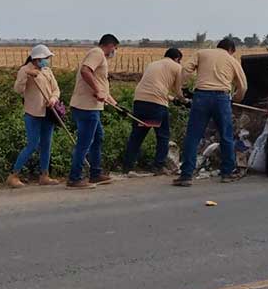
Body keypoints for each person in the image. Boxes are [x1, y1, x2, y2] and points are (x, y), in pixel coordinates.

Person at [173, 38, 247, 186]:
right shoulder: (232, 61)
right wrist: (236, 99)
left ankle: (186, 175)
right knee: (226, 136)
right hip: (222, 98)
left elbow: (185, 70)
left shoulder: (202, 53)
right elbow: (243, 86)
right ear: (231, 50)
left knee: (193, 136)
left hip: (201, 96)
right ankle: (227, 173)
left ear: (218, 46)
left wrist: (180, 91)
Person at [67, 34, 119, 189]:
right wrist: (98, 90)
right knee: (85, 143)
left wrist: (109, 97)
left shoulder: (99, 57)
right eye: (115, 48)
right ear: (110, 45)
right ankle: (74, 178)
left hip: (92, 106)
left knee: (97, 138)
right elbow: (85, 71)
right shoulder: (97, 53)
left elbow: (98, 81)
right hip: (86, 107)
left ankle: (95, 174)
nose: (114, 52)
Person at [122, 48, 184, 176]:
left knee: (137, 135)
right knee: (162, 135)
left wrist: (171, 99)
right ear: (177, 58)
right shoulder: (177, 67)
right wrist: (183, 100)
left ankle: (128, 166)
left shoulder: (152, 65)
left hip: (140, 101)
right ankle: (158, 165)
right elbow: (179, 92)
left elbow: (156, 86)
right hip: (156, 105)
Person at [7, 45, 61, 188]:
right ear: (37, 58)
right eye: (45, 58)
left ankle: (44, 175)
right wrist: (27, 76)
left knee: (46, 145)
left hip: (49, 113)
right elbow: (18, 89)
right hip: (33, 113)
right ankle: (14, 175)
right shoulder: (24, 70)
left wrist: (53, 99)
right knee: (32, 145)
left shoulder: (47, 70)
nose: (47, 61)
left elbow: (56, 89)